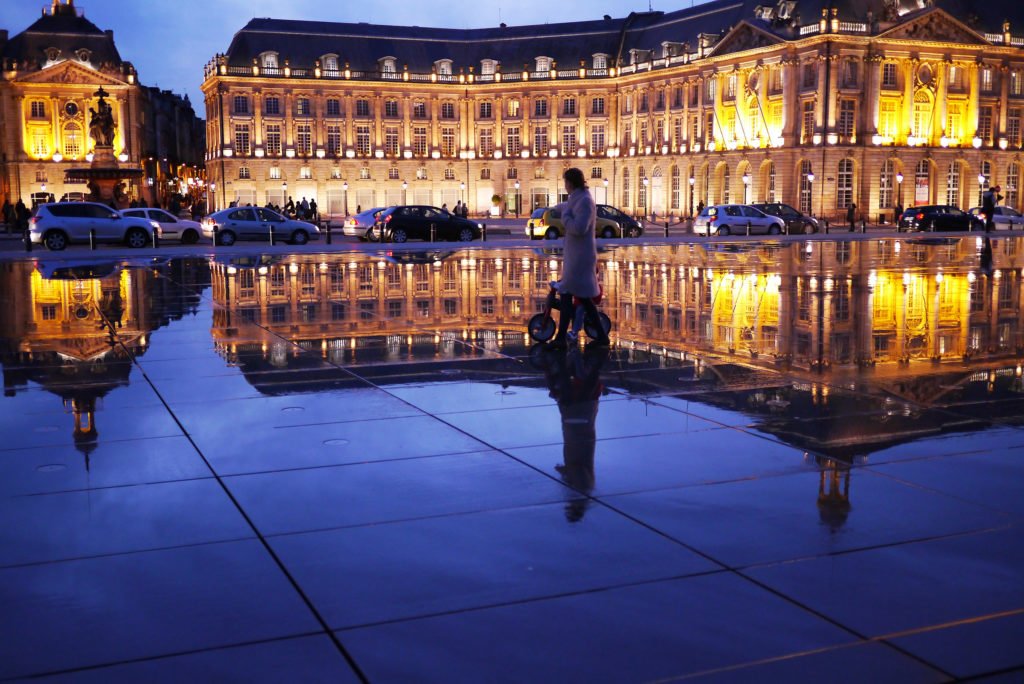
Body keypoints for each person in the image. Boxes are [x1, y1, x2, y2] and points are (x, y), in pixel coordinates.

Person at [548, 167, 609, 349]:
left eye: (566, 182)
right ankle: (601, 337)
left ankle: (560, 338)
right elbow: (567, 208)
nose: (565, 186)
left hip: (581, 258)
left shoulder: (584, 201)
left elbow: (579, 227)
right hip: (576, 255)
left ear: (571, 182)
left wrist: (565, 217)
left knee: (568, 293)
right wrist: (554, 209)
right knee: (583, 298)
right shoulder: (578, 198)